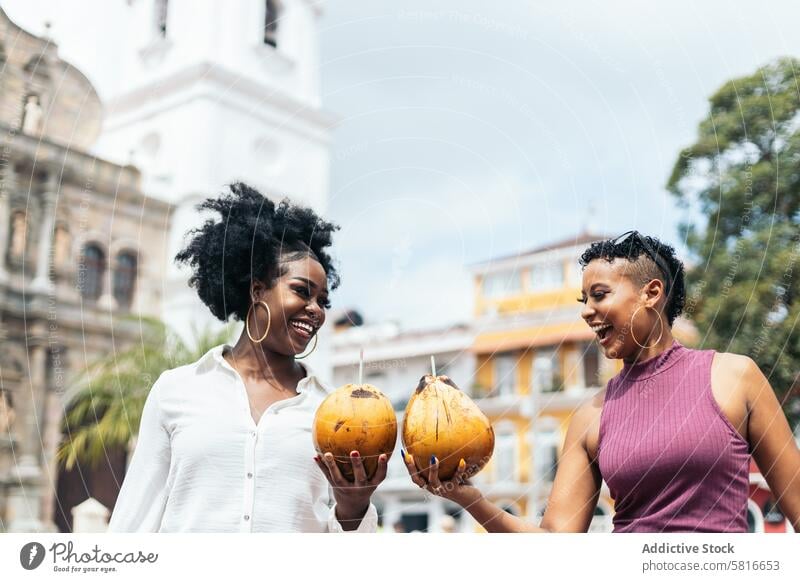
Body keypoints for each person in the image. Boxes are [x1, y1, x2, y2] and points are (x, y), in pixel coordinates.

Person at [404, 231, 800, 533]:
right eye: (584, 301)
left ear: (652, 293)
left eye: (599, 295)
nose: (588, 312)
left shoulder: (736, 377)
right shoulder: (590, 416)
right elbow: (557, 546)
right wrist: (467, 497)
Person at [108, 183, 386, 532]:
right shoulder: (176, 390)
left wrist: (353, 507)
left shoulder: (330, 410)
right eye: (302, 291)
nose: (315, 310)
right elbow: (135, 519)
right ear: (257, 290)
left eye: (322, 301)